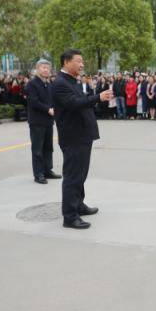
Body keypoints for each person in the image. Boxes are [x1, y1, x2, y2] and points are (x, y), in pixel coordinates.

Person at [51, 49, 113, 230]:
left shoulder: (71, 81)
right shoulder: (60, 83)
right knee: (73, 176)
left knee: (81, 174)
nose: (82, 64)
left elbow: (81, 101)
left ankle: (78, 205)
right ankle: (69, 216)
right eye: (78, 61)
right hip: (73, 136)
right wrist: (97, 98)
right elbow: (73, 104)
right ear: (66, 62)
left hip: (82, 135)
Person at [25, 60, 62, 184]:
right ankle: (38, 174)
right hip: (37, 121)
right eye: (43, 67)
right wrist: (48, 109)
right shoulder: (32, 84)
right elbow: (33, 102)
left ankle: (47, 170)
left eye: (48, 68)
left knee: (48, 148)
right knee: (37, 149)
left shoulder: (49, 83)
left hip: (48, 121)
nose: (46, 70)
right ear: (37, 69)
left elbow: (52, 100)